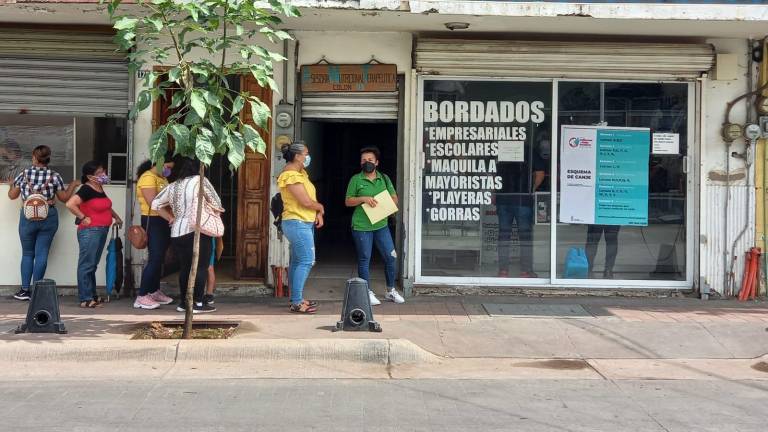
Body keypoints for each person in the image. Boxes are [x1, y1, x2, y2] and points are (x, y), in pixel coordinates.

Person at [8, 145, 79, 301]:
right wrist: (73, 184)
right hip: (48, 217)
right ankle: (37, 291)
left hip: (27, 217)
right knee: (42, 254)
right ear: (48, 159)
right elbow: (64, 198)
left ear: (34, 157)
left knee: (27, 253)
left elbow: (12, 196)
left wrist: (11, 184)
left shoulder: (24, 174)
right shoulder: (54, 176)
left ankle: (25, 290)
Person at [151, 158, 221, 314]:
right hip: (197, 230)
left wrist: (170, 217)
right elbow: (217, 202)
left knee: (185, 268)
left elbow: (155, 204)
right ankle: (197, 303)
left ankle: (183, 303)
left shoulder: (174, 185)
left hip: (177, 232)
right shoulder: (200, 180)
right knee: (201, 267)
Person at [344, 147, 405, 305]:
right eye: (364, 160)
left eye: (370, 160)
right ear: (360, 163)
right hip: (361, 226)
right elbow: (348, 201)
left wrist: (383, 202)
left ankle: (390, 290)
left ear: (377, 162)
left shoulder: (384, 178)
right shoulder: (355, 179)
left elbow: (394, 198)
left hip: (381, 224)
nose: (367, 163)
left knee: (390, 257)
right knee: (365, 259)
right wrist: (363, 198)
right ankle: (367, 292)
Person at [66, 161, 123, 308]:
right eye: (99, 173)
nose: (103, 175)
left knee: (92, 264)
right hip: (90, 231)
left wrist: (116, 217)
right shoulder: (86, 189)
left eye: (103, 171)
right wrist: (83, 218)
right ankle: (85, 299)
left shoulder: (99, 187)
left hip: (101, 229)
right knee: (87, 265)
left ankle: (92, 296)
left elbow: (105, 206)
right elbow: (70, 204)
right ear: (90, 176)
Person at [277, 141, 323, 314]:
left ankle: (296, 298)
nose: (308, 157)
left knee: (298, 261)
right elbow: (304, 201)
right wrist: (320, 208)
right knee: (306, 260)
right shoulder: (290, 175)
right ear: (297, 156)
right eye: (306, 154)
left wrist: (317, 212)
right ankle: (296, 302)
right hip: (297, 223)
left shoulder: (301, 173)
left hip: (304, 221)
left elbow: (310, 198)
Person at [496, 132, 548, 278]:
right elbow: (540, 173)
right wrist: (531, 189)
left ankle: (503, 271)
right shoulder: (529, 151)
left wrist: (494, 191)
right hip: (522, 200)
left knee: (503, 235)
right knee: (525, 236)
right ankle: (525, 271)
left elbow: (491, 173)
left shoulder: (501, 149)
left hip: (503, 198)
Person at [133, 158, 176, 310]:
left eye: (170, 168)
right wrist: (170, 217)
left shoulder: (162, 178)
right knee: (155, 258)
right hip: (153, 220)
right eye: (166, 166)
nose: (168, 170)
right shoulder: (147, 178)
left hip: (163, 221)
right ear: (157, 163)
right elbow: (153, 203)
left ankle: (154, 290)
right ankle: (142, 295)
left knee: (160, 258)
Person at [203, 237, 219, 306]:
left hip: (206, 240)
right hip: (209, 239)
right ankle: (209, 295)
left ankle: (207, 294)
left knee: (208, 268)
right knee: (209, 267)